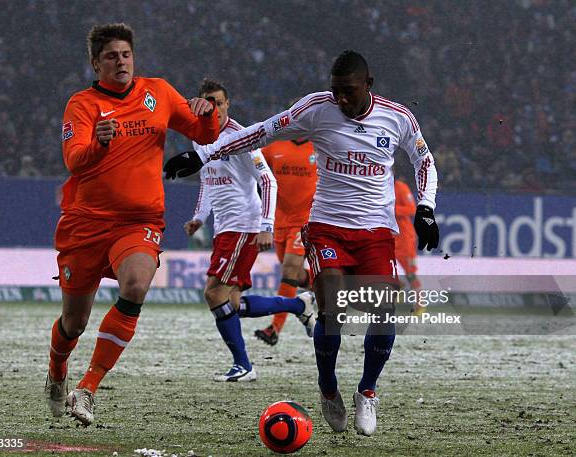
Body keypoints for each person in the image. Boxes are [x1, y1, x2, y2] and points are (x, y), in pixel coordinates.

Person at [165, 50, 439, 435]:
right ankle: (328, 388)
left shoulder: (398, 118)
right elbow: (260, 131)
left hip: (376, 231)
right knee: (330, 302)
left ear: (368, 86)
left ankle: (367, 391)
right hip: (327, 225)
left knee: (384, 311)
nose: (340, 99)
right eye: (335, 91)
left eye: (348, 91)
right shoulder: (316, 108)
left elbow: (424, 161)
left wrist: (426, 207)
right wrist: (203, 154)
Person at [45, 23, 220, 426]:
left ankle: (87, 388)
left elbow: (201, 131)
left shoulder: (157, 91)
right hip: (86, 223)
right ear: (96, 63)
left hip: (139, 221)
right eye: (111, 56)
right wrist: (97, 143)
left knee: (137, 285)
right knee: (74, 322)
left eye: (125, 54)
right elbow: (74, 160)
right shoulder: (83, 104)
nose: (120, 61)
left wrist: (206, 113)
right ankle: (57, 371)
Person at [183, 79, 316, 382]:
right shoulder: (198, 139)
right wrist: (200, 217)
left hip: (244, 226)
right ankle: (299, 304)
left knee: (213, 293)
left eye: (218, 102)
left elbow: (268, 180)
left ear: (227, 104)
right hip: (224, 228)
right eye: (207, 102)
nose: (213, 108)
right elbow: (207, 180)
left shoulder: (241, 138)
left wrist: (265, 226)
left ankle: (243, 365)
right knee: (229, 302)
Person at [253, 131, 317, 346]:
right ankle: (329, 291)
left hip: (305, 221)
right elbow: (253, 163)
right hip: (278, 221)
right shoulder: (274, 147)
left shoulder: (320, 147)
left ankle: (274, 329)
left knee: (289, 270)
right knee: (294, 275)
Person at [393, 177, 424, 314]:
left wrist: (392, 209)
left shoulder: (400, 187)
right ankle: (397, 285)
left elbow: (411, 208)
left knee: (411, 273)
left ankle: (420, 304)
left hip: (404, 239)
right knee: (383, 269)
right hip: (388, 237)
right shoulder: (377, 187)